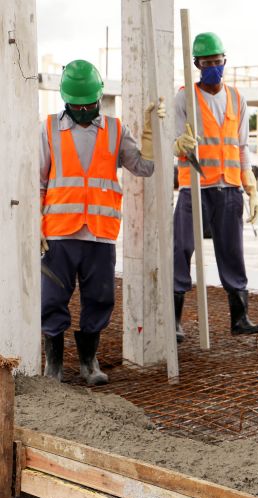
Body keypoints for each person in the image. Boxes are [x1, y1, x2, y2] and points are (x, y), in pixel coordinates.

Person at [40, 60, 164, 384]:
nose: (83, 110)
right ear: (65, 100)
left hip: (99, 234)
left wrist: (153, 136)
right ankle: (53, 366)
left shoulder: (115, 129)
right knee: (51, 299)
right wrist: (32, 228)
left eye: (88, 104)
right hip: (58, 234)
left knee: (99, 298)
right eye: (76, 104)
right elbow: (37, 183)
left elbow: (144, 168)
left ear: (98, 98)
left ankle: (89, 363)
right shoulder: (49, 128)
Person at [172, 32, 258, 341]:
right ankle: (174, 320)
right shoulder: (184, 96)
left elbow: (242, 146)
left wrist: (250, 187)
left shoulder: (238, 99)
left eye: (218, 62)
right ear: (197, 64)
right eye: (207, 63)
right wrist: (179, 145)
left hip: (229, 188)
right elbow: (174, 143)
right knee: (181, 248)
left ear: (225, 61)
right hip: (194, 187)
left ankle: (240, 317)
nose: (214, 67)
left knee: (232, 252)